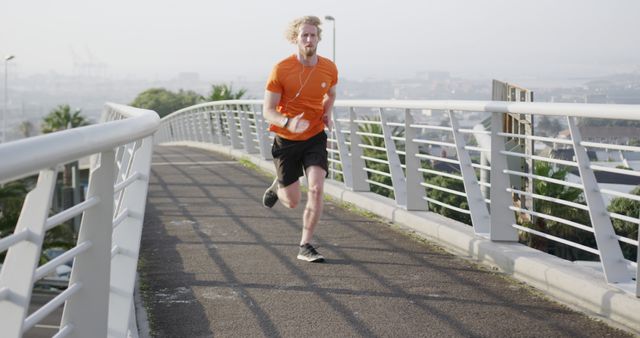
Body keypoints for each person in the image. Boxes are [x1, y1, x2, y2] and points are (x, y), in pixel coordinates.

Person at [261, 16, 338, 263]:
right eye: (304, 35)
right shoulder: (281, 69)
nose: (308, 39)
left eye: (313, 35)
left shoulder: (328, 67)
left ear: (318, 38)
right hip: (286, 139)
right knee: (292, 201)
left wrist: (327, 113)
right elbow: (268, 110)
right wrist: (288, 122)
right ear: (296, 38)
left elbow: (331, 93)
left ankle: (305, 245)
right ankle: (278, 186)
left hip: (314, 136)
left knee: (316, 188)